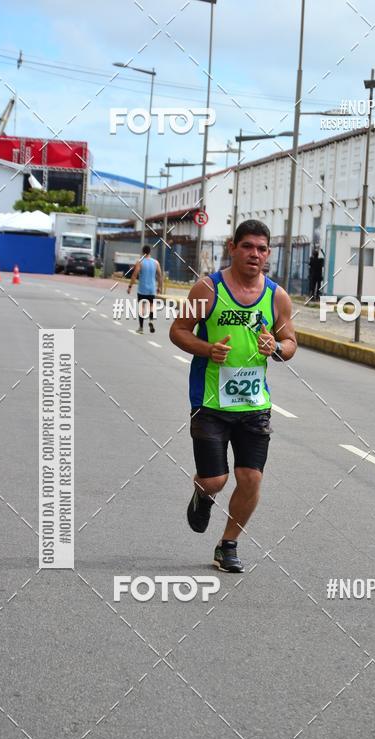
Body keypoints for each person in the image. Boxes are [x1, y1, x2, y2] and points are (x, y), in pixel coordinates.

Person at [169, 219, 297, 573]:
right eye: (248, 247)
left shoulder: (276, 296)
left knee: (251, 477)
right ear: (232, 247)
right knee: (215, 479)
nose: (255, 254)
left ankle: (228, 545)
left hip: (255, 405)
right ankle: (203, 493)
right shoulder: (207, 289)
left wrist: (277, 348)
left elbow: (291, 343)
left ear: (268, 253)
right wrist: (208, 349)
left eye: (261, 248)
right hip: (210, 402)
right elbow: (178, 331)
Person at [127, 245, 161, 334]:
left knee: (142, 307)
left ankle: (141, 328)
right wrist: (159, 287)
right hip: (152, 289)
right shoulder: (156, 262)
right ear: (150, 252)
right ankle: (151, 321)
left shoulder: (140, 262)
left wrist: (130, 287)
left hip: (142, 289)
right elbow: (160, 276)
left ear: (143, 252)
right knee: (151, 306)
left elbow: (134, 275)